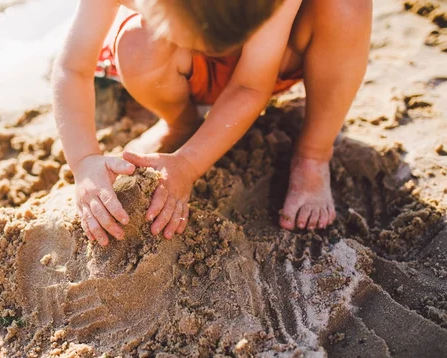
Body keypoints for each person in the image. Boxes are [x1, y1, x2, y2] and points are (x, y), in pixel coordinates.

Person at [52, 0, 372, 246]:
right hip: (191, 65)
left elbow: (250, 85)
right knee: (137, 42)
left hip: (276, 57)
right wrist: (84, 161)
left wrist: (188, 165)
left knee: (348, 5)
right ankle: (182, 124)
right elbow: (71, 68)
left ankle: (314, 153)